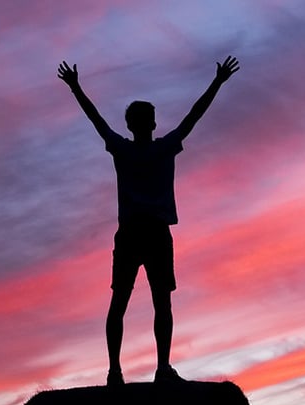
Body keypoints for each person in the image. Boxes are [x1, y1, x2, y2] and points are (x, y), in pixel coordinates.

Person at [57, 56, 239, 386]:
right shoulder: (163, 147)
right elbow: (194, 116)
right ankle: (161, 368)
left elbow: (96, 119)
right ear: (151, 123)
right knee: (160, 303)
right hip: (153, 233)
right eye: (151, 117)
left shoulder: (122, 148)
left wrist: (75, 87)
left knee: (120, 302)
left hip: (131, 233)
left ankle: (117, 371)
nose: (152, 121)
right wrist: (218, 82)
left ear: (131, 125)